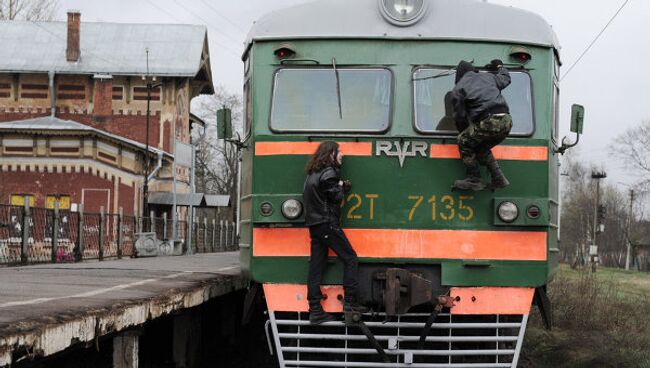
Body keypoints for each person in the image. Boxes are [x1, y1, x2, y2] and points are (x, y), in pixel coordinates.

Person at [303, 141, 368, 325]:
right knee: (350, 258)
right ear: (331, 153)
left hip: (315, 225)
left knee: (317, 265)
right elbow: (336, 196)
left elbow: (325, 191)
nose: (342, 155)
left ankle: (315, 310)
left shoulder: (313, 173)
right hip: (327, 224)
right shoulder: (329, 172)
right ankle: (350, 304)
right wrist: (341, 185)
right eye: (339, 152)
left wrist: (340, 184)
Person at [450, 59, 513, 191]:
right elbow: (505, 78)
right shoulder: (488, 77)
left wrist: (464, 131)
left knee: (464, 140)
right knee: (480, 147)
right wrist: (499, 66)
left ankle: (474, 179)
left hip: (489, 121)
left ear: (459, 75)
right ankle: (499, 178)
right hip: (506, 122)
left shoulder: (458, 89)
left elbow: (459, 118)